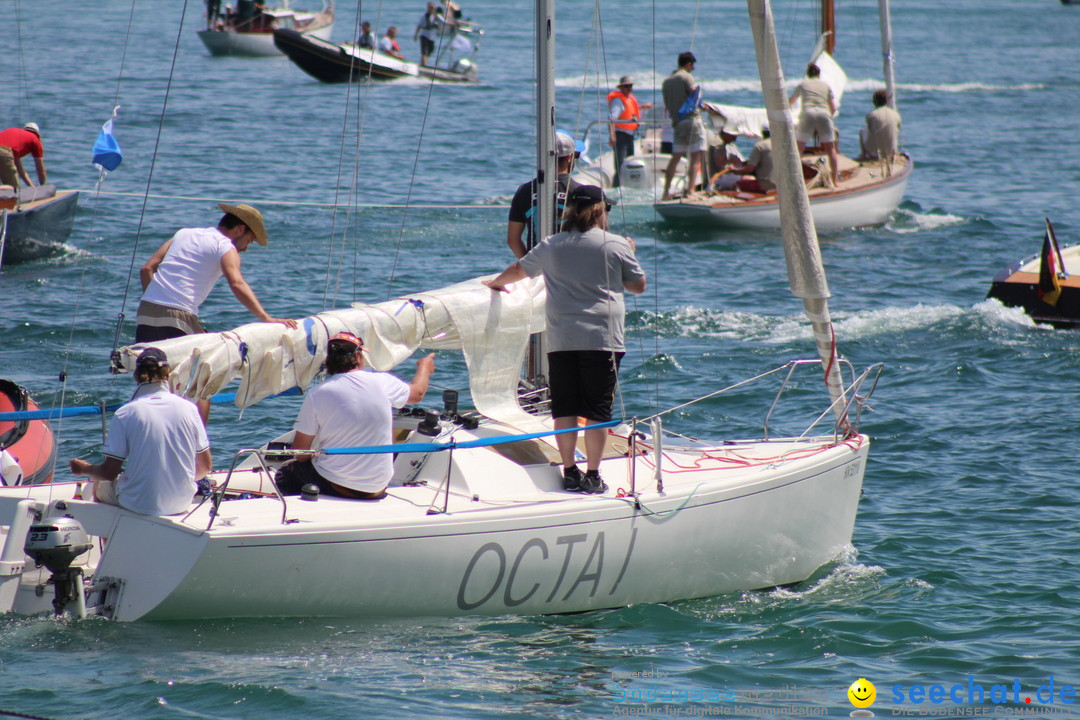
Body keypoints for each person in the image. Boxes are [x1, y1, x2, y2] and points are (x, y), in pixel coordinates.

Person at [484, 185, 647, 495]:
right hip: (603, 339)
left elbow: (520, 269)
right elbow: (637, 286)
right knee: (598, 411)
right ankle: (593, 475)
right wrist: (629, 254)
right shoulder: (616, 245)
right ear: (600, 211)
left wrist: (495, 283)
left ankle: (570, 470)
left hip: (561, 338)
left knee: (565, 407)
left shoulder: (552, 244)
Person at [274, 332, 435, 500]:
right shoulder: (382, 382)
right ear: (358, 356)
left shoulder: (318, 394)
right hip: (378, 487)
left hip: (338, 486)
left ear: (329, 360)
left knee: (286, 473)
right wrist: (424, 367)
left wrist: (314, 455)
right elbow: (418, 393)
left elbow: (300, 453)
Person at [69, 348, 212, 516]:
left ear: (136, 375)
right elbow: (205, 466)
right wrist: (175, 482)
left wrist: (83, 468)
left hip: (140, 503)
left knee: (99, 486)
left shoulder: (125, 413)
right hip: (182, 502)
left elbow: (109, 473)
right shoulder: (190, 409)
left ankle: (113, 540)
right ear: (167, 375)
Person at [506, 131, 581, 259]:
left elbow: (513, 240)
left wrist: (528, 266)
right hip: (570, 268)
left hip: (537, 267)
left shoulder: (524, 190)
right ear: (570, 158)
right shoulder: (581, 192)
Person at [661, 52, 708, 201]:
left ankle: (666, 192)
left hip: (678, 123)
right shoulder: (686, 77)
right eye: (692, 65)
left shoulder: (666, 82)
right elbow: (694, 93)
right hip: (692, 120)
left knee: (675, 158)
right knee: (695, 158)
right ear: (688, 64)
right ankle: (690, 191)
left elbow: (667, 104)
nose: (692, 68)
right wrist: (702, 106)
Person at [789, 62, 839, 186]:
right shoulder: (826, 86)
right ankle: (835, 180)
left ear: (808, 74)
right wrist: (829, 118)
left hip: (808, 113)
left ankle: (794, 179)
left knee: (799, 148)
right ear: (818, 74)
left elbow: (791, 102)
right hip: (823, 114)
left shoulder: (802, 84)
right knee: (831, 149)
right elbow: (833, 107)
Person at [607, 76, 654, 188]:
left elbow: (630, 111)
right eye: (626, 86)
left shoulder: (629, 98)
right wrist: (612, 136)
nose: (629, 88)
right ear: (621, 87)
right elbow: (611, 118)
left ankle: (628, 187)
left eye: (630, 86)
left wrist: (642, 107)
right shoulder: (618, 101)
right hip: (621, 136)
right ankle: (616, 188)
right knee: (620, 166)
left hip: (629, 136)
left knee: (629, 164)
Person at [0, 123, 47, 194]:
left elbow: (22, 172)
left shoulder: (17, 135)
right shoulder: (35, 139)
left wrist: (32, 187)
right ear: (38, 135)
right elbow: (41, 171)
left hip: (4, 151)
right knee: (15, 191)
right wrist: (43, 187)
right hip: (3, 151)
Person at [859, 89, 902, 162]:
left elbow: (870, 129)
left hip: (874, 153)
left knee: (863, 131)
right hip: (890, 152)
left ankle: (864, 155)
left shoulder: (871, 115)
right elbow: (897, 129)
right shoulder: (896, 114)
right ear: (886, 101)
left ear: (874, 102)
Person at [731, 126, 775, 193]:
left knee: (735, 184)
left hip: (765, 185)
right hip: (781, 184)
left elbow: (750, 169)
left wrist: (734, 170)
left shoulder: (760, 145)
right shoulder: (780, 144)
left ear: (762, 133)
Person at [708, 126, 744, 191]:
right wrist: (733, 161)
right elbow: (720, 166)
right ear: (727, 134)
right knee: (749, 179)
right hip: (716, 178)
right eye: (734, 137)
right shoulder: (718, 144)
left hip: (715, 176)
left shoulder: (718, 140)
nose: (734, 140)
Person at [414, 2, 442, 66]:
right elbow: (419, 26)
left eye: (432, 8)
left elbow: (441, 24)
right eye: (430, 7)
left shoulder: (435, 16)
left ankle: (422, 64)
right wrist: (416, 35)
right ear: (427, 8)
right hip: (424, 35)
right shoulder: (424, 16)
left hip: (431, 37)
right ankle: (424, 65)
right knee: (424, 52)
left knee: (430, 51)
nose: (431, 9)